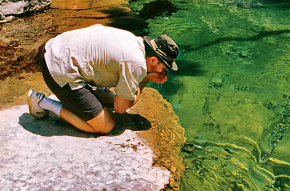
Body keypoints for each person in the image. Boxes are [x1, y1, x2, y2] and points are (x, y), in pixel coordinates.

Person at [27, 24, 178, 134]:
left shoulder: (134, 40)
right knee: (105, 126)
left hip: (55, 49)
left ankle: (93, 92)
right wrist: (146, 79)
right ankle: (42, 102)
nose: (163, 71)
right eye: (164, 67)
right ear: (152, 60)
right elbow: (121, 108)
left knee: (110, 99)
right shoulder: (136, 64)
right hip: (57, 69)